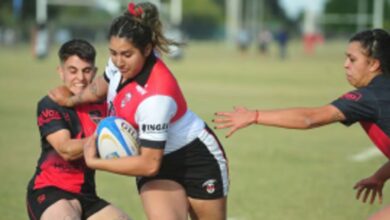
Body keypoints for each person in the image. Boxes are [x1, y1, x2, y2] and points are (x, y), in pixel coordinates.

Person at [49, 2, 229, 220]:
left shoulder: (156, 97)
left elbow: (148, 163)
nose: (118, 61)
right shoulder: (119, 61)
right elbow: (100, 88)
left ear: (146, 49)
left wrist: (95, 162)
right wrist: (72, 100)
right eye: (113, 53)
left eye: (126, 54)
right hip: (156, 163)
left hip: (196, 159)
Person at [213, 29, 390, 220]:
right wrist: (381, 176)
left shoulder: (369, 97)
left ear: (373, 64)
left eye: (352, 59)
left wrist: (254, 116)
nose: (345, 65)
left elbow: (310, 118)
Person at [26, 39, 130, 220]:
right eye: (72, 71)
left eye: (86, 71)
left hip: (86, 195)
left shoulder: (104, 105)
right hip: (49, 190)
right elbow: (66, 149)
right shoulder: (50, 104)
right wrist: (108, 138)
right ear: (61, 72)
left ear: (95, 73)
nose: (80, 78)